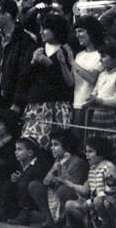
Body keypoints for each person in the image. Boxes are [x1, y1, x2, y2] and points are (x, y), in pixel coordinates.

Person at [20, 13, 75, 150]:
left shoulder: (67, 50)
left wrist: (49, 64)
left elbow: (67, 83)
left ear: (55, 29)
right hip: (37, 104)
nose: (41, 32)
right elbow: (23, 77)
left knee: (57, 145)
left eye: (44, 28)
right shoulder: (36, 48)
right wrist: (33, 62)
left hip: (59, 104)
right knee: (33, 143)